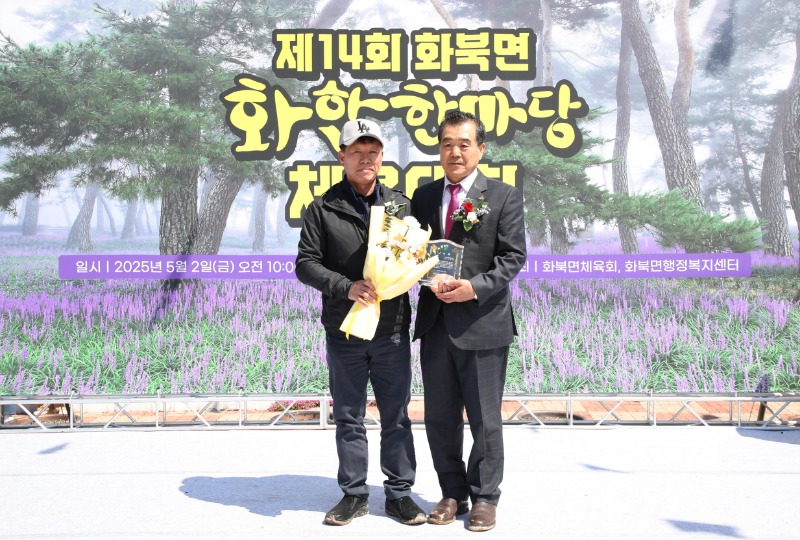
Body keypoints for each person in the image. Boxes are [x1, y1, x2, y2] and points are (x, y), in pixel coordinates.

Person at [295, 118, 426, 526]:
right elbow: (305, 264)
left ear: (382, 157)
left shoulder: (401, 207)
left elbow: (415, 256)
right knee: (349, 416)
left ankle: (400, 494)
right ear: (342, 156)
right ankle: (354, 494)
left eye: (372, 152)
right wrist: (345, 286)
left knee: (396, 415)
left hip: (391, 330)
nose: (365, 159)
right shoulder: (322, 208)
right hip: (345, 330)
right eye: (357, 152)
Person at [411, 110, 526, 532]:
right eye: (447, 144)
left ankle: (485, 498)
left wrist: (473, 288)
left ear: (481, 148)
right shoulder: (423, 197)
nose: (455, 152)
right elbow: (413, 251)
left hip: (483, 322)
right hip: (436, 323)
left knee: (484, 420)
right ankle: (452, 493)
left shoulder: (503, 196)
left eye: (463, 144)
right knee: (440, 417)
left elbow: (512, 257)